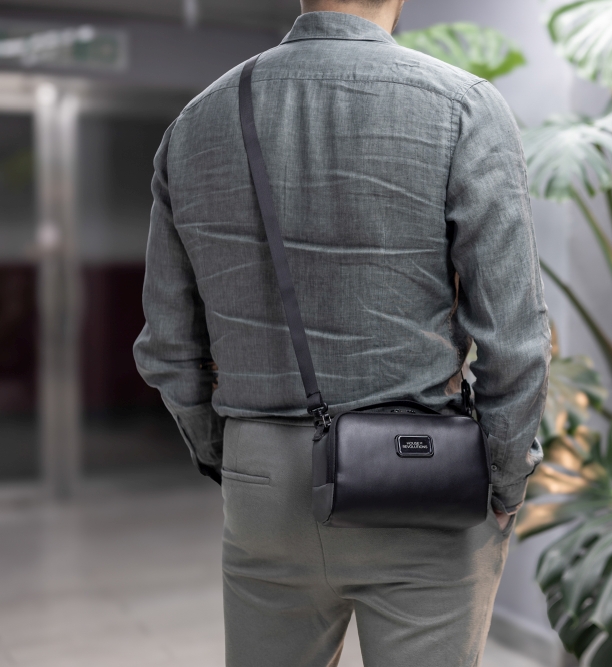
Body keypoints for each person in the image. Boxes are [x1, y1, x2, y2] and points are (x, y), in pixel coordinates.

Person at [132, 0, 551, 665]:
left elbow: (168, 345)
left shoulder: (197, 122)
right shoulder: (463, 107)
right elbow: (515, 338)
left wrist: (236, 454)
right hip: (422, 479)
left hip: (262, 481)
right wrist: (504, 478)